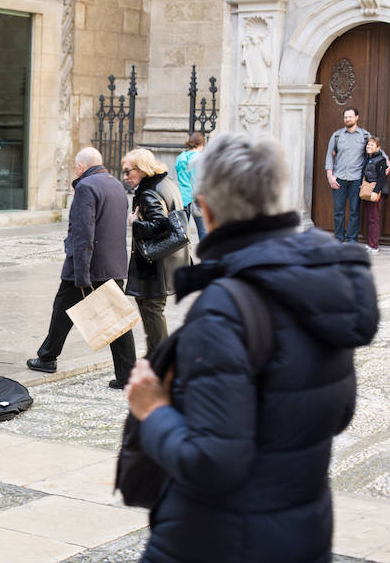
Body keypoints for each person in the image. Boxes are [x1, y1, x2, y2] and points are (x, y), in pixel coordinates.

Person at [126, 133, 378, 563]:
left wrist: (154, 410)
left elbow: (213, 462)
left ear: (206, 206)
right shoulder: (321, 283)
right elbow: (339, 412)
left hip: (219, 539)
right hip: (302, 529)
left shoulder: (224, 306)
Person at [26, 147, 137, 389]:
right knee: (111, 319)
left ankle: (47, 357)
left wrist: (81, 274)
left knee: (64, 309)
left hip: (88, 266)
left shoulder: (86, 187)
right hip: (113, 265)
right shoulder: (116, 184)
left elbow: (83, 233)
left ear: (80, 167)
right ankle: (126, 375)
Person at [122, 148, 190, 357]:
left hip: (155, 263)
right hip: (167, 260)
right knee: (150, 307)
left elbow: (160, 224)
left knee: (152, 309)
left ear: (141, 169)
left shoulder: (149, 191)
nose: (125, 177)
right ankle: (154, 355)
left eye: (128, 172)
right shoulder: (166, 183)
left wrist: (136, 223)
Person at [326, 107, 370, 243]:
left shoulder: (364, 135)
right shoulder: (337, 135)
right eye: (345, 117)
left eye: (350, 117)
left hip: (356, 179)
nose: (347, 119)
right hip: (339, 179)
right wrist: (330, 176)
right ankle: (338, 238)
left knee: (354, 212)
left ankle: (352, 239)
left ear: (357, 117)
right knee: (338, 211)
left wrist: (387, 161)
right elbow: (329, 157)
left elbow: (376, 149)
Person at [174, 132, 207, 240]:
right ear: (201, 144)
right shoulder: (199, 158)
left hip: (182, 197)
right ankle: (205, 256)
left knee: (181, 232)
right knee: (202, 231)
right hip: (197, 199)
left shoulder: (180, 157)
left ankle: (181, 256)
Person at [362, 135, 389, 253]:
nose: (369, 146)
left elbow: (382, 178)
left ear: (378, 148)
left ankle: (374, 246)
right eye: (368, 144)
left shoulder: (381, 160)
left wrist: (375, 192)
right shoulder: (368, 158)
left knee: (374, 219)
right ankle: (371, 243)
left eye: (372, 145)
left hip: (376, 192)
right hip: (369, 191)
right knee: (371, 218)